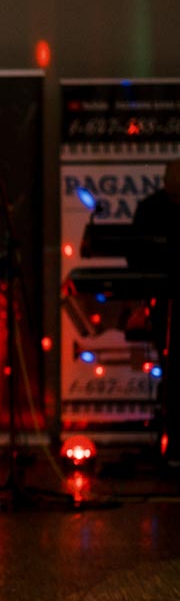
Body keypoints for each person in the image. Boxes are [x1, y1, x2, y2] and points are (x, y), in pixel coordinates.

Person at [131, 159, 180, 465]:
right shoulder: (151, 209)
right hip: (163, 299)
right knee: (171, 364)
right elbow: (135, 253)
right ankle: (172, 441)